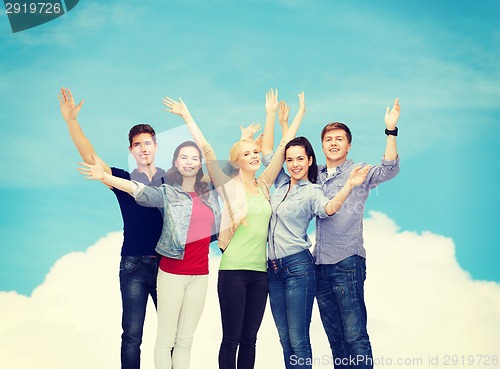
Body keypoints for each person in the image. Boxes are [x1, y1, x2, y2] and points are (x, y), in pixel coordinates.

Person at [161, 89, 304, 369]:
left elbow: (284, 146)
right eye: (247, 153)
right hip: (233, 273)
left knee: (250, 339)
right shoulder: (227, 186)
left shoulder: (264, 185)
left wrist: (291, 115)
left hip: (260, 274)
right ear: (237, 161)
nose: (253, 156)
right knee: (232, 340)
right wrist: (186, 115)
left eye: (255, 152)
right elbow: (207, 150)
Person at [78, 140, 221, 369]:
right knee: (140, 336)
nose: (189, 162)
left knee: (183, 339)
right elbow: (137, 190)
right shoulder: (167, 192)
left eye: (194, 158)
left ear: (156, 146)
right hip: (158, 267)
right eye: (184, 157)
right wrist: (104, 177)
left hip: (196, 273)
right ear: (176, 161)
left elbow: (221, 168)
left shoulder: (204, 193)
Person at [58, 87, 164, 369]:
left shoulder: (170, 182)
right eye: (138, 144)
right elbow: (92, 157)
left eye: (148, 142)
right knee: (132, 335)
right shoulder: (122, 178)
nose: (144, 148)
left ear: (156, 146)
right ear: (131, 149)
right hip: (134, 266)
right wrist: (72, 122)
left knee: (171, 336)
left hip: (167, 267)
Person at [263, 101, 370, 369]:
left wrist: (348, 185)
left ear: (311, 161)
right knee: (285, 339)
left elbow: (329, 209)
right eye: (290, 160)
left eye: (301, 159)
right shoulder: (279, 184)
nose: (294, 164)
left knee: (300, 339)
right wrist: (277, 119)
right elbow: (268, 151)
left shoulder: (312, 191)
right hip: (272, 268)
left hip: (298, 266)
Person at [314, 98, 401, 369]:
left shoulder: (358, 171)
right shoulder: (313, 174)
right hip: (318, 265)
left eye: (339, 139)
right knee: (336, 340)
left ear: (348, 145)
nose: (334, 143)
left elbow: (390, 169)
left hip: (347, 263)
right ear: (323, 144)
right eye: (329, 139)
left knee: (355, 337)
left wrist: (391, 131)